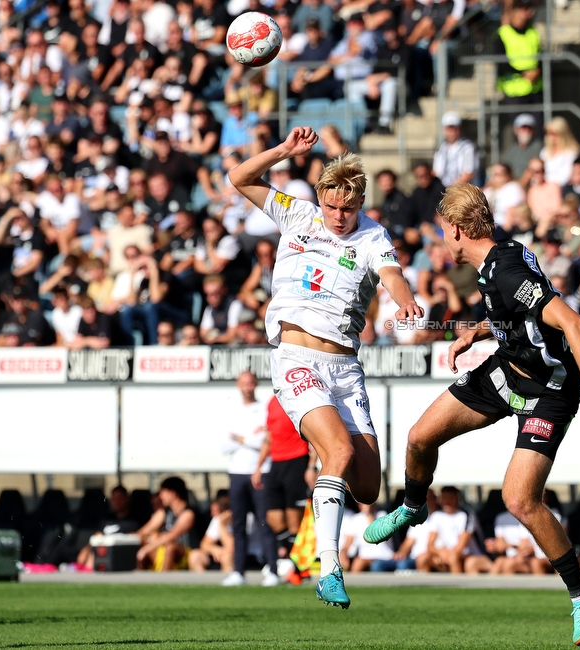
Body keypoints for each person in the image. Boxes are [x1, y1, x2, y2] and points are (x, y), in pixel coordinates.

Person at [363, 183, 580, 646]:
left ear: (457, 230)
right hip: (506, 371)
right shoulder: (496, 260)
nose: (441, 239)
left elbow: (574, 323)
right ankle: (414, 507)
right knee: (420, 437)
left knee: (519, 499)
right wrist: (476, 331)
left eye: (443, 231)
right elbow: (518, 317)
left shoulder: (507, 268)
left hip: (549, 391)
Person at [229, 126, 423, 608]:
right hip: (296, 358)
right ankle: (330, 568)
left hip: (345, 367)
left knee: (366, 484)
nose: (340, 217)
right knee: (336, 453)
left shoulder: (374, 234)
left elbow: (392, 275)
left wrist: (405, 300)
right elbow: (238, 177)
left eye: (349, 208)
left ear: (360, 204)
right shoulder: (298, 214)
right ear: (321, 198)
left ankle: (350, 486)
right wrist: (283, 152)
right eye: (333, 207)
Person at [220, 371, 280, 587]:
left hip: (260, 471)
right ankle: (239, 571)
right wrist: (249, 438)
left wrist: (240, 437)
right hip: (237, 472)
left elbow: (266, 440)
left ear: (255, 385)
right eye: (243, 383)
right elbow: (224, 444)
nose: (247, 387)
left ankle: (273, 570)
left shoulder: (263, 408)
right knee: (238, 525)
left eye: (250, 383)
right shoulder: (231, 410)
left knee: (266, 522)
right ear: (238, 385)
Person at [252, 395, 318, 584]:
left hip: (297, 462)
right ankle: (294, 563)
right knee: (272, 518)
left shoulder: (300, 399)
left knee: (294, 522)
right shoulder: (272, 402)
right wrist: (258, 465)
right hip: (276, 464)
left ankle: (298, 569)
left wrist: (311, 466)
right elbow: (270, 436)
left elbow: (313, 434)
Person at [135, 476, 196, 571]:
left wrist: (146, 549)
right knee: (142, 542)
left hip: (186, 553)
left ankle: (163, 579)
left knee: (170, 547)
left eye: (163, 492)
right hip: (163, 550)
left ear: (173, 494)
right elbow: (144, 531)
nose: (160, 496)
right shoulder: (164, 512)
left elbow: (172, 535)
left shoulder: (188, 513)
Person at [492, 0, 542, 109]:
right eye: (523, 9)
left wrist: (538, 70)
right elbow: (501, 62)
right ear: (514, 12)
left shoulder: (532, 32)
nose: (528, 12)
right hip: (513, 90)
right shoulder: (503, 34)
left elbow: (540, 57)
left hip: (534, 88)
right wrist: (523, 73)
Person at [433, 112, 478, 187]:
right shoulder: (442, 148)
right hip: (444, 190)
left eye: (454, 129)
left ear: (459, 129)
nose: (451, 132)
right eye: (448, 129)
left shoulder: (467, 148)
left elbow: (468, 174)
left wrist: (451, 189)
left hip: (462, 190)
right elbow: (436, 172)